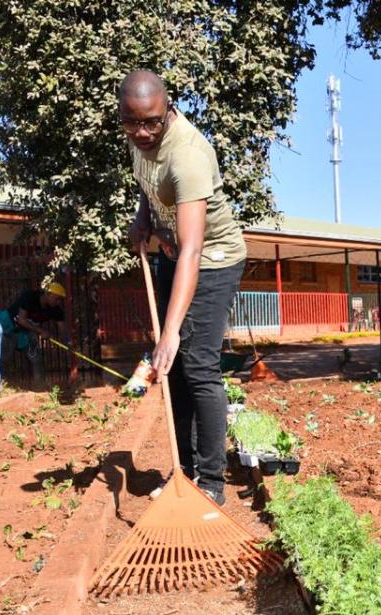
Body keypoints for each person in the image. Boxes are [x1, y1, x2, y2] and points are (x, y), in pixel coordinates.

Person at [118, 69, 247, 506]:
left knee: (196, 364)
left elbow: (194, 249)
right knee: (172, 367)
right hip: (177, 253)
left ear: (168, 109)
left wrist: (170, 331)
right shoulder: (138, 139)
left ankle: (210, 482)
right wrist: (143, 220)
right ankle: (185, 472)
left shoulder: (188, 156)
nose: (142, 132)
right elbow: (148, 185)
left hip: (213, 258)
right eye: (132, 123)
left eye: (152, 122)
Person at [0, 282, 67, 378]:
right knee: (4, 358)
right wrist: (41, 331)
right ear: (47, 294)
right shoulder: (30, 296)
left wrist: (68, 342)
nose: (59, 302)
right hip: (9, 327)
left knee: (36, 359)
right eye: (57, 298)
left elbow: (63, 328)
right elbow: (21, 320)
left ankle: (40, 387)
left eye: (60, 300)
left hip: (26, 331)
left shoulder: (56, 310)